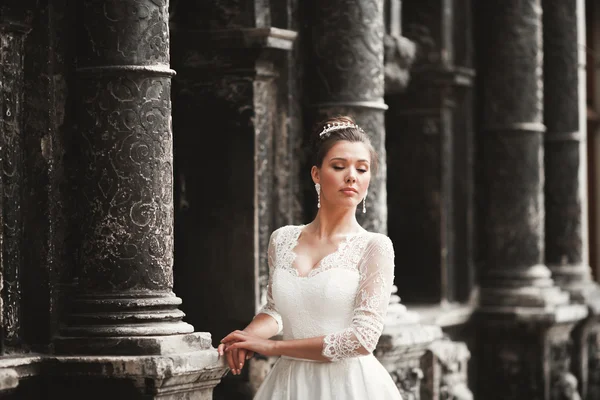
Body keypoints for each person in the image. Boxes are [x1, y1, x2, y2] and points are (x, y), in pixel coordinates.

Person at [218, 116, 402, 399]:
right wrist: (249, 338)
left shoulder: (374, 247)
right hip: (289, 384)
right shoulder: (282, 239)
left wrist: (273, 348)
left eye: (362, 169)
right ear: (316, 174)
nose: (351, 175)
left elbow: (363, 339)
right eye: (339, 166)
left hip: (349, 386)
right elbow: (276, 310)